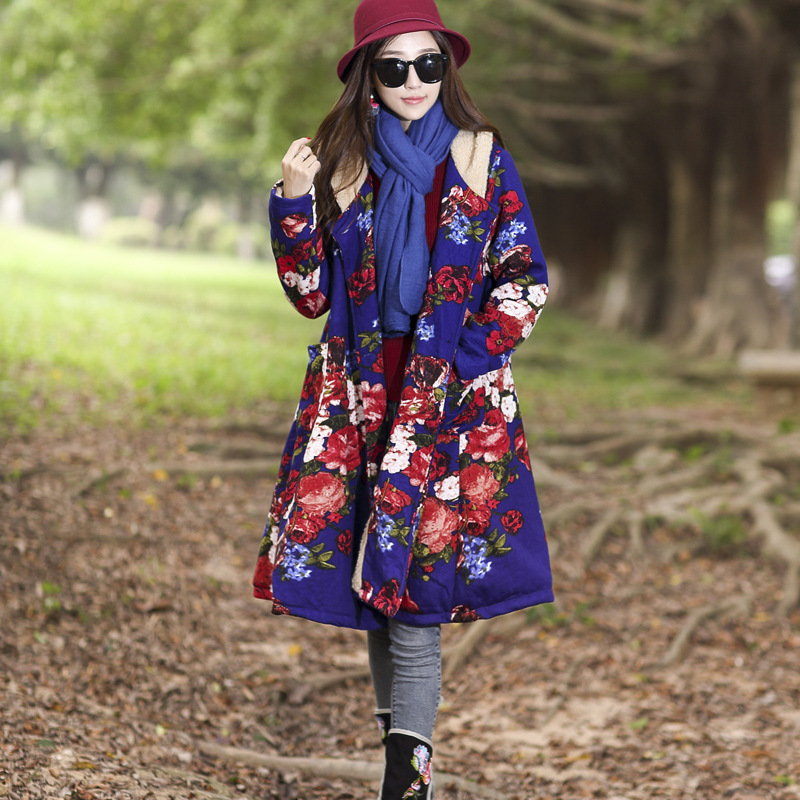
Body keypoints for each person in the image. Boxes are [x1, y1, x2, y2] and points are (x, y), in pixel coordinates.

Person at [253, 1, 553, 796]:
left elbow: (525, 282)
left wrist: (461, 360)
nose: (415, 80)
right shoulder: (345, 166)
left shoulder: (482, 160)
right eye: (395, 67)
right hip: (359, 403)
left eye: (429, 63)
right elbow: (310, 294)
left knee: (416, 601)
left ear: (446, 68)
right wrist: (293, 201)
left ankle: (405, 787)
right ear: (367, 76)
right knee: (378, 590)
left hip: (449, 405)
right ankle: (406, 779)